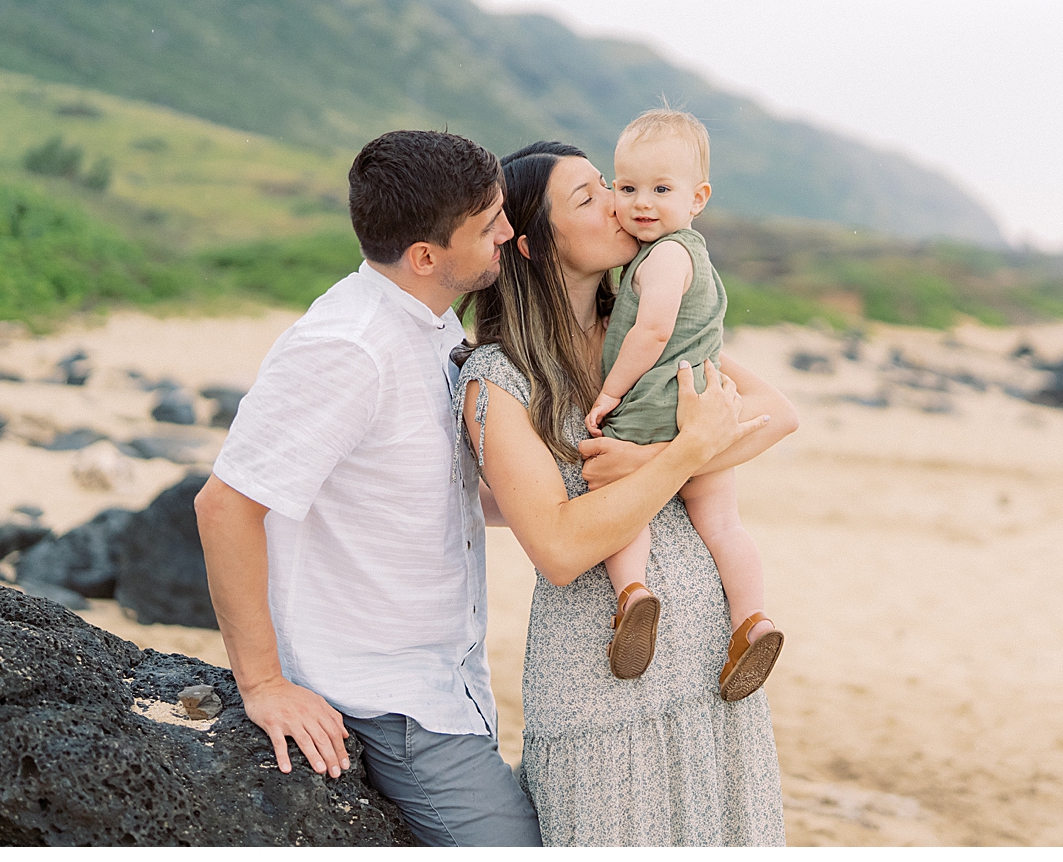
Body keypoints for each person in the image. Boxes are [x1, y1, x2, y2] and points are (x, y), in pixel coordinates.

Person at [192, 130, 544, 847]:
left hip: (447, 682)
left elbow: (420, 489)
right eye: (489, 224)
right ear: (425, 256)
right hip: (387, 700)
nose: (509, 231)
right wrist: (262, 684)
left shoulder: (427, 318)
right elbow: (225, 505)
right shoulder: (347, 347)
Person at [453, 140, 797, 845]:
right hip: (598, 683)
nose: (619, 202)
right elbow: (558, 547)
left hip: (710, 666)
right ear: (531, 244)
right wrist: (686, 454)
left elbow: (778, 413)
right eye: (587, 196)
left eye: (606, 183)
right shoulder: (498, 379)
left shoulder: (643, 328)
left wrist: (661, 454)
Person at [584, 108, 784, 699]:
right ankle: (752, 621)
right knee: (723, 524)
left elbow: (651, 332)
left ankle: (634, 595)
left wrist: (610, 391)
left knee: (623, 503)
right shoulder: (698, 259)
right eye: (627, 188)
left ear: (697, 198)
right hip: (705, 412)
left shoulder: (664, 257)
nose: (641, 202)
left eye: (661, 189)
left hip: (653, 411)